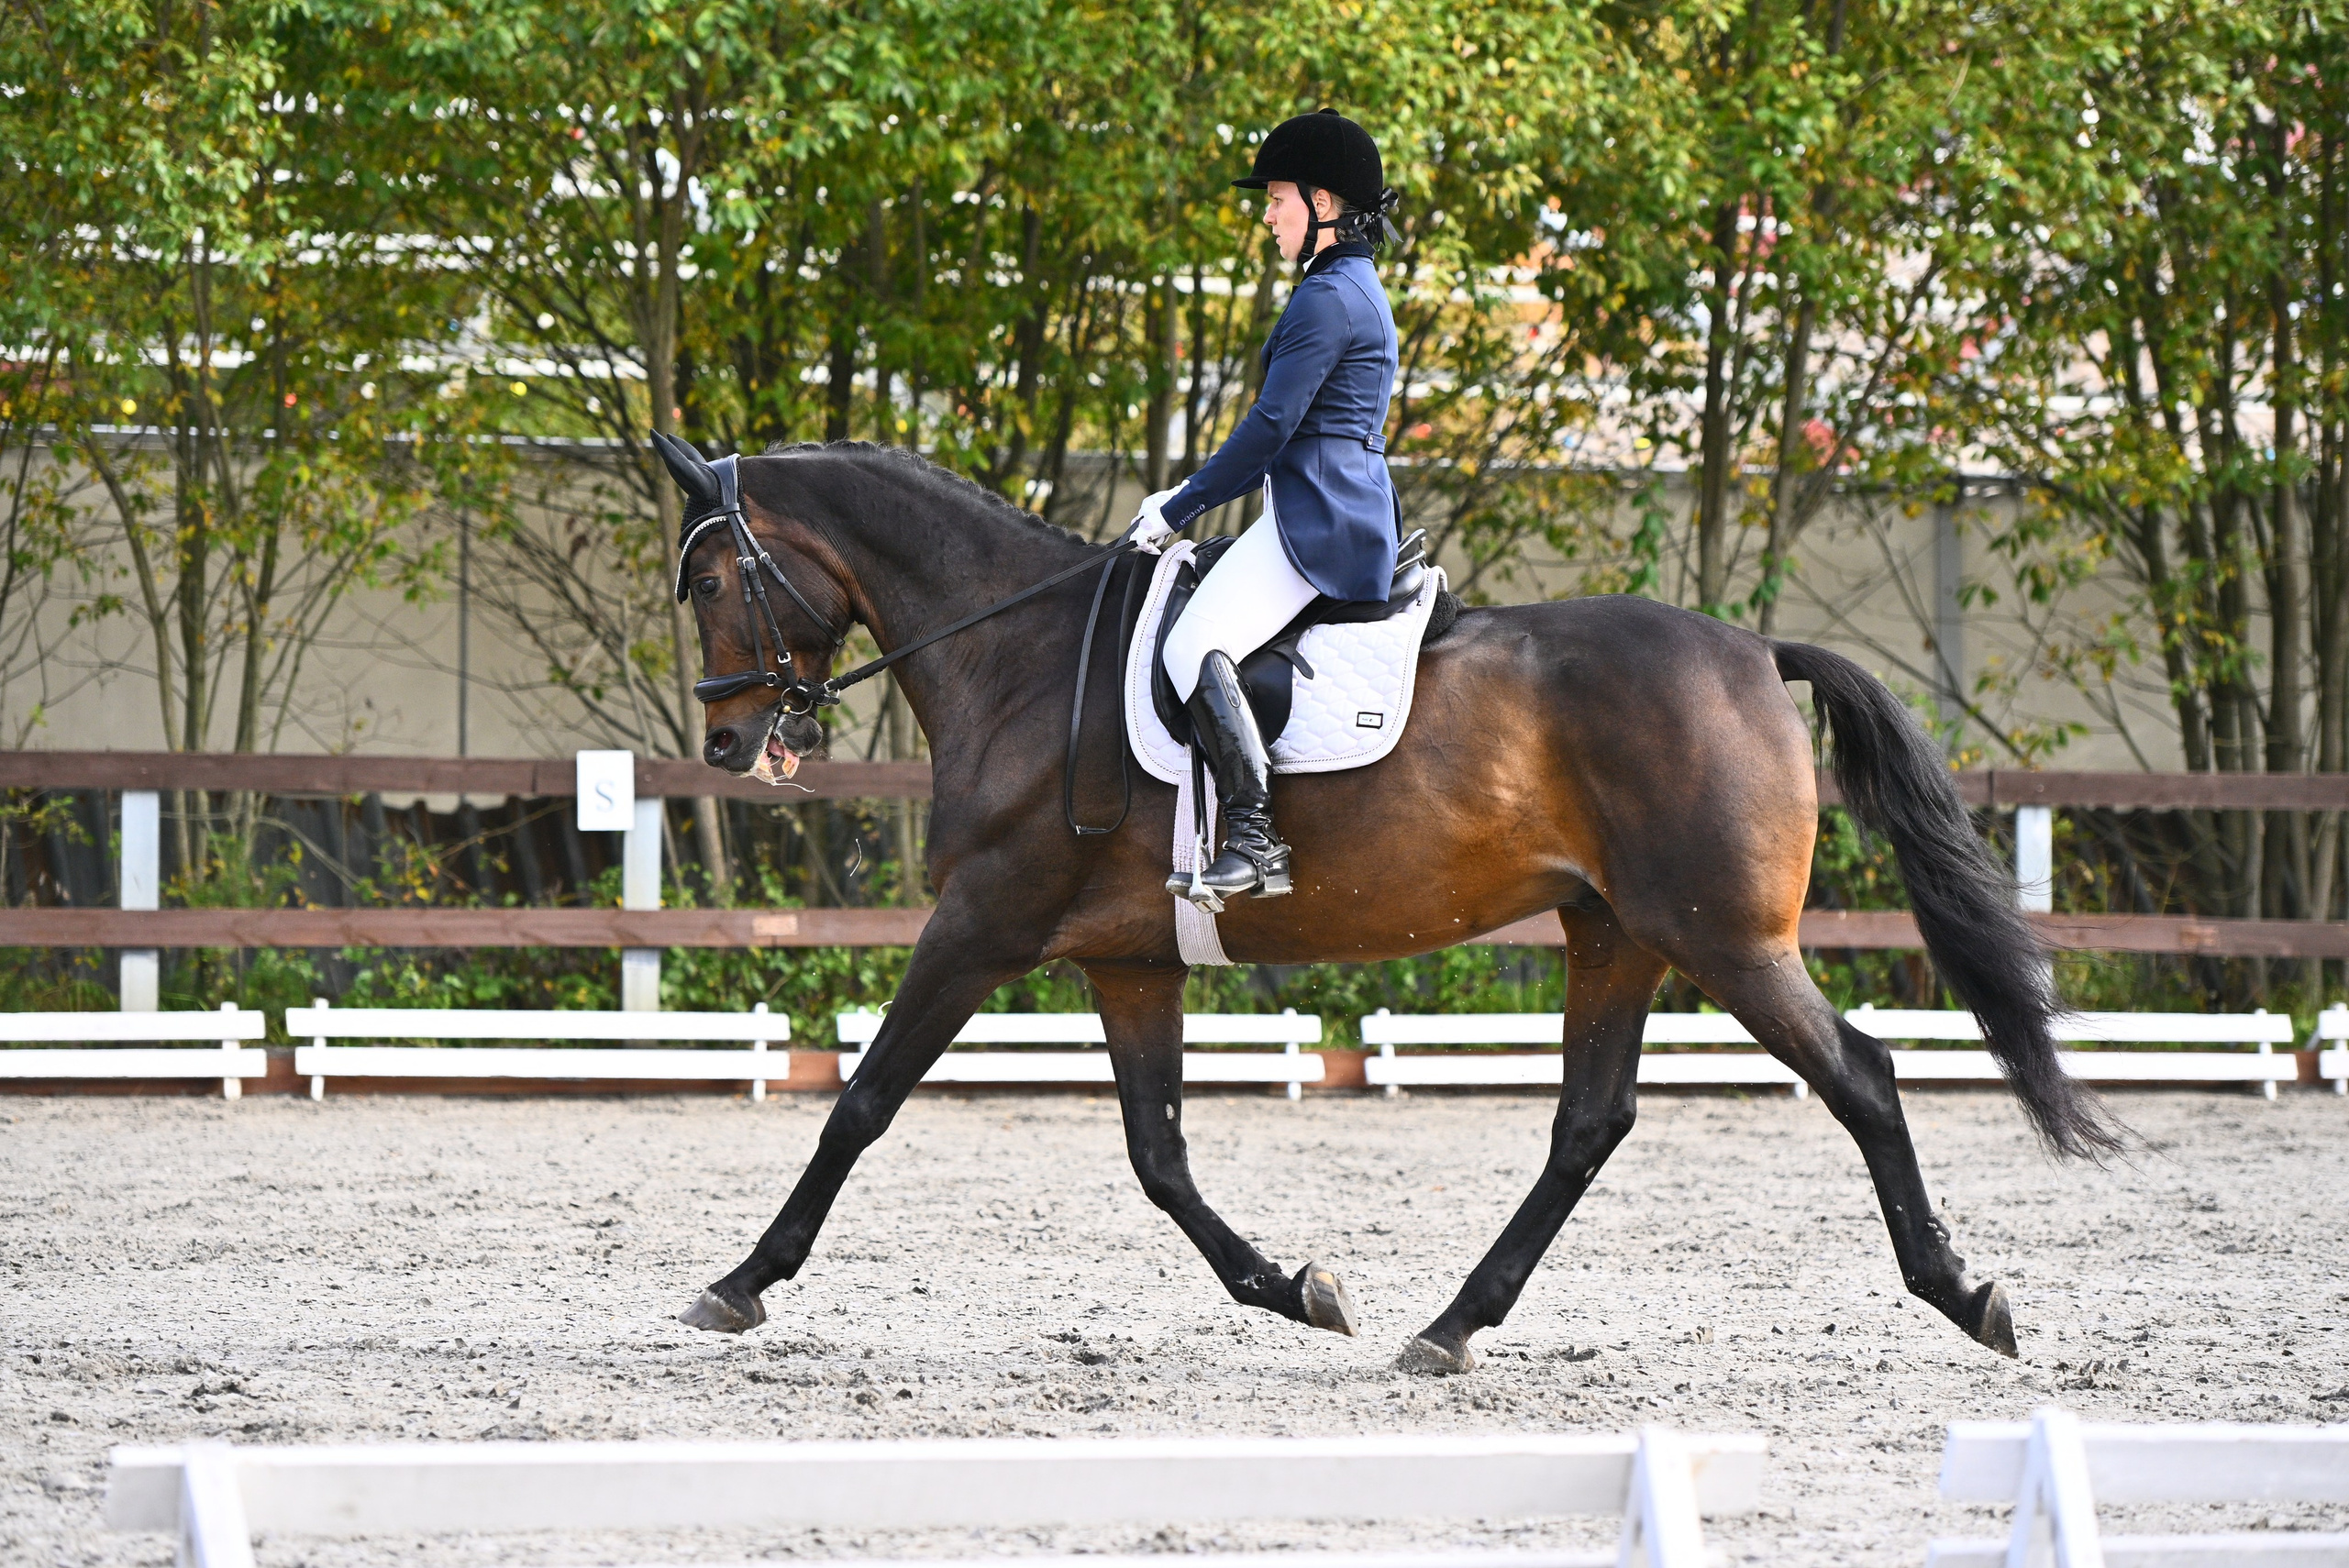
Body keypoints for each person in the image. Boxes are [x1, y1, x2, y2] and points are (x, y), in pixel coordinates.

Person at [1129, 108, 1404, 906]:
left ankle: (1253, 839)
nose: (1266, 213)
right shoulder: (1348, 288)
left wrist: (1179, 507)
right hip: (1323, 507)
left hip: (1319, 522)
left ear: (1322, 203)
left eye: (1276, 197)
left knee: (1190, 649)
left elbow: (1271, 428)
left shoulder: (1326, 299)